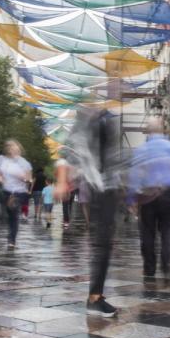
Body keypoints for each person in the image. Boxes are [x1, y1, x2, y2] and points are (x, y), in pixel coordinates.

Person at [56, 104, 128, 317]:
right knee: (102, 243)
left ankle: (96, 295)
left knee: (105, 243)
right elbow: (66, 153)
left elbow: (113, 157)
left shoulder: (106, 118)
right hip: (98, 187)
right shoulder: (88, 118)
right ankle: (94, 298)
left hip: (108, 187)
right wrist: (62, 181)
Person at [128, 117, 170, 279]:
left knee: (147, 232)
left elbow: (134, 175)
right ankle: (167, 265)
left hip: (147, 195)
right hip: (169, 193)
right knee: (168, 231)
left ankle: (149, 268)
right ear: (163, 129)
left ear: (148, 131)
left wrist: (131, 198)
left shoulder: (141, 150)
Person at [0, 139, 32, 250]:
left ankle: (11, 240)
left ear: (19, 149)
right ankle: (9, 202)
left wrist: (24, 178)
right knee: (8, 215)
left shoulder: (24, 163)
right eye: (10, 147)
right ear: (7, 149)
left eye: (15, 147)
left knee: (13, 217)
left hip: (19, 192)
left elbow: (29, 179)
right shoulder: (1, 159)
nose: (12, 149)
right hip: (5, 190)